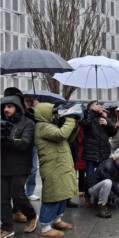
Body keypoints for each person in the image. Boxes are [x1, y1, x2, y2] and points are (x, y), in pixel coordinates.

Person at [34, 102, 79, 237]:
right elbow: (61, 135)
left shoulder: (51, 125)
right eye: (53, 112)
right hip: (52, 167)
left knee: (62, 194)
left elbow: (67, 139)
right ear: (45, 113)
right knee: (52, 196)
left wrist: (75, 126)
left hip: (61, 165)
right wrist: (70, 118)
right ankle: (45, 228)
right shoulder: (41, 126)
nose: (56, 114)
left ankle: (57, 220)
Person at [1, 95, 38, 238]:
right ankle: (7, 227)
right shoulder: (2, 122)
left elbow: (24, 143)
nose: (6, 109)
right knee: (3, 199)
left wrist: (6, 140)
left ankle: (32, 216)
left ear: (17, 107)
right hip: (3, 166)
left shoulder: (28, 123)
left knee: (18, 195)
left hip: (21, 166)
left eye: (9, 106)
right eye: (4, 107)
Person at [81, 101, 117, 207]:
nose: (100, 106)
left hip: (103, 152)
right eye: (97, 104)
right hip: (91, 152)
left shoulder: (103, 117)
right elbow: (85, 124)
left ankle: (101, 197)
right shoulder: (87, 116)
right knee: (90, 176)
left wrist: (107, 123)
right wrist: (92, 112)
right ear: (91, 107)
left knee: (104, 175)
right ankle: (87, 197)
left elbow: (113, 132)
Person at [87, 147, 119, 218]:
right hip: (93, 189)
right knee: (108, 182)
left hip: (106, 188)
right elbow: (112, 184)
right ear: (118, 157)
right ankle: (102, 207)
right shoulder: (108, 165)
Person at [22, 95, 41, 201]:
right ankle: (20, 192)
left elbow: (39, 119)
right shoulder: (20, 111)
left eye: (30, 101)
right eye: (26, 101)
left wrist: (38, 108)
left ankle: (29, 192)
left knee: (33, 169)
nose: (29, 103)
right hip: (22, 143)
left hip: (32, 144)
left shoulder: (34, 111)